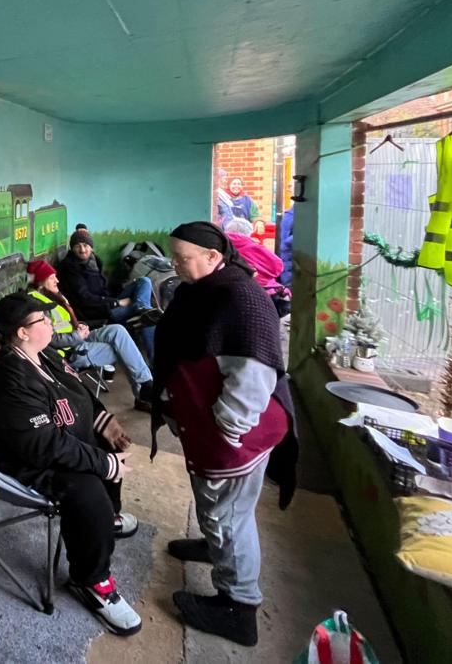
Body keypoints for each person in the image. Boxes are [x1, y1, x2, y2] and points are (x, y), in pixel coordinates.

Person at [0, 292, 142, 636]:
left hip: (42, 442)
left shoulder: (45, 355)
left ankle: (103, 520)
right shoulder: (9, 378)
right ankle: (92, 580)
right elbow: (44, 447)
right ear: (22, 333)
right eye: (42, 319)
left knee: (102, 448)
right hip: (15, 457)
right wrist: (103, 464)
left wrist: (105, 423)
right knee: (87, 484)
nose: (51, 323)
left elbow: (80, 392)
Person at [150, 221, 298, 647]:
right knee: (221, 507)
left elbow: (252, 378)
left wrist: (226, 432)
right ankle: (218, 550)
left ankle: (239, 606)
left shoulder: (240, 299)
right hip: (210, 425)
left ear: (214, 257)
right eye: (173, 255)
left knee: (227, 515)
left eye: (182, 257)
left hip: (235, 433)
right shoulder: (204, 290)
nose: (174, 264)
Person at [26, 259, 154, 411]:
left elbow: (65, 323)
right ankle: (144, 393)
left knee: (117, 330)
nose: (57, 280)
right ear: (41, 280)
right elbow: (50, 340)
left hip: (77, 338)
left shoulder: (53, 296)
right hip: (70, 353)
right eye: (52, 277)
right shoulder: (37, 305)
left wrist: (81, 326)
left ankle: (146, 387)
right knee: (123, 349)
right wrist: (78, 335)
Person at [55, 227, 160, 361]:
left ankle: (141, 308)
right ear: (72, 248)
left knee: (144, 281)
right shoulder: (70, 267)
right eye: (77, 246)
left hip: (107, 302)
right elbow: (85, 298)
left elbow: (103, 289)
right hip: (97, 311)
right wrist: (116, 302)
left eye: (86, 245)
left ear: (91, 247)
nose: (82, 250)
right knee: (149, 317)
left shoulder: (94, 261)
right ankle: (154, 361)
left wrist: (119, 292)